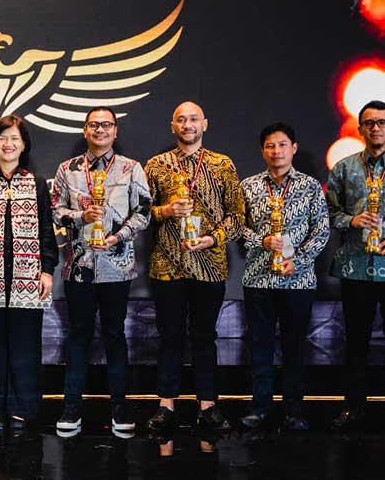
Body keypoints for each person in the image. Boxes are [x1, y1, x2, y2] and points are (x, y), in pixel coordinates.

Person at [143, 101, 244, 431]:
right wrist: (166, 211)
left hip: (210, 265)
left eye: (193, 119)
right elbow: (141, 214)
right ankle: (166, 406)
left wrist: (213, 239)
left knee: (205, 337)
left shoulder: (222, 164)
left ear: (205, 124)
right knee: (169, 336)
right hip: (167, 264)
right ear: (173, 126)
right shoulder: (156, 165)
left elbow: (237, 217)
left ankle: (208, 405)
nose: (187, 125)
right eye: (181, 120)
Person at [51, 107, 150, 435]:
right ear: (85, 130)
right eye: (94, 125)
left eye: (106, 125)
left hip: (117, 268)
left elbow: (144, 212)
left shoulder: (130, 168)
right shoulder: (67, 170)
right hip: (78, 267)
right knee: (78, 336)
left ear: (115, 131)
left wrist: (118, 236)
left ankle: (120, 406)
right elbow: (55, 211)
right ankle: (71, 407)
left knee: (115, 336)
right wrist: (81, 216)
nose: (100, 130)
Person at [0, 115, 58, 431]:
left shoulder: (36, 183)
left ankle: (22, 409)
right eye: (3, 138)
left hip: (28, 276)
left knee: (25, 345)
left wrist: (47, 269)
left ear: (24, 145)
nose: (8, 144)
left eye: (15, 138)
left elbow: (46, 229)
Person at [239, 122, 329, 431]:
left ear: (294, 148)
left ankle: (294, 411)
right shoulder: (249, 186)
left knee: (295, 347)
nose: (276, 151)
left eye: (282, 145)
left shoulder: (310, 186)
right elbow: (238, 228)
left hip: (297, 281)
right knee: (260, 345)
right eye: (270, 146)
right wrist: (261, 241)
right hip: (258, 279)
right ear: (262, 151)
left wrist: (298, 262)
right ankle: (259, 408)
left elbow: (321, 231)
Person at [326, 99, 385, 429]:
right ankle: (353, 407)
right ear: (360, 128)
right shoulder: (344, 168)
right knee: (356, 342)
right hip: (355, 267)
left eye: (382, 122)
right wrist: (352, 220)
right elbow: (328, 214)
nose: (376, 128)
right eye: (370, 123)